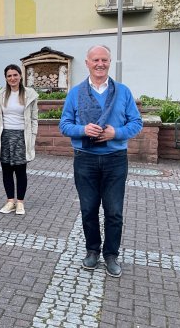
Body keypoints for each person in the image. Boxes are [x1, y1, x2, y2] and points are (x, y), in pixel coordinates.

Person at [59, 45, 143, 278]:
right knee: (88, 209)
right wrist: (83, 129)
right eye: (95, 59)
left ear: (109, 62)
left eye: (104, 60)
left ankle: (111, 254)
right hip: (85, 159)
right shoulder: (75, 93)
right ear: (87, 63)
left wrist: (115, 133)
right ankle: (92, 250)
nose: (100, 64)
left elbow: (136, 123)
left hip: (115, 159)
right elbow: (64, 125)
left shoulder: (123, 92)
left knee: (114, 211)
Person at [0, 64, 39, 215]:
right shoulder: (0, 95)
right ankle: (10, 201)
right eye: (9, 76)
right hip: (4, 136)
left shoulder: (30, 94)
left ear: (20, 76)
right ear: (6, 78)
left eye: (15, 75)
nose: (12, 78)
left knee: (20, 171)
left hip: (21, 136)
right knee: (6, 171)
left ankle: (20, 203)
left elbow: (34, 118)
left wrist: (32, 135)